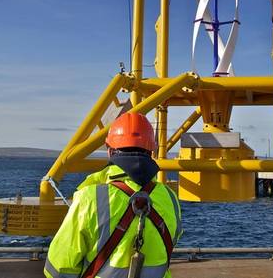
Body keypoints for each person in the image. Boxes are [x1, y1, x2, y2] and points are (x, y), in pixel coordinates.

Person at [44, 112, 182, 278]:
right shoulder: (170, 197)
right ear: (152, 150)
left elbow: (59, 267)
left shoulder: (90, 198)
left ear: (110, 151)